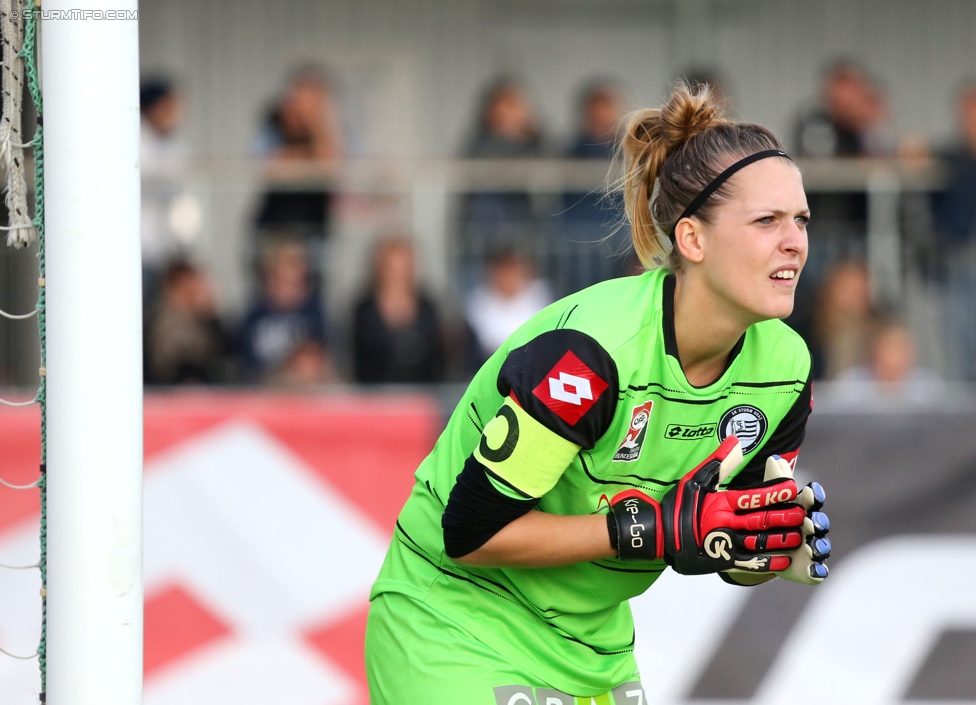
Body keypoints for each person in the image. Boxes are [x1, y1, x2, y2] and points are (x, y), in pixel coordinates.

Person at [366, 82, 832, 704]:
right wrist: (656, 530)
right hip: (455, 616)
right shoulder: (594, 354)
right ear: (691, 240)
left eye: (800, 219)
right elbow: (471, 534)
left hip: (593, 644)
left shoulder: (786, 367)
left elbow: (712, 537)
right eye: (767, 220)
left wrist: (766, 547)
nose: (795, 241)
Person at [235, 237, 332, 384]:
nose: (287, 290)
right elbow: (247, 365)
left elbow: (325, 362)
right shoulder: (254, 317)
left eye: (294, 284)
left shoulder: (314, 314)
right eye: (281, 282)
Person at [352, 236, 446, 384]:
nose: (398, 275)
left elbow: (438, 362)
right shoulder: (364, 312)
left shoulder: (428, 310)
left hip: (422, 398)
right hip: (375, 400)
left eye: (404, 268)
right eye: (393, 268)